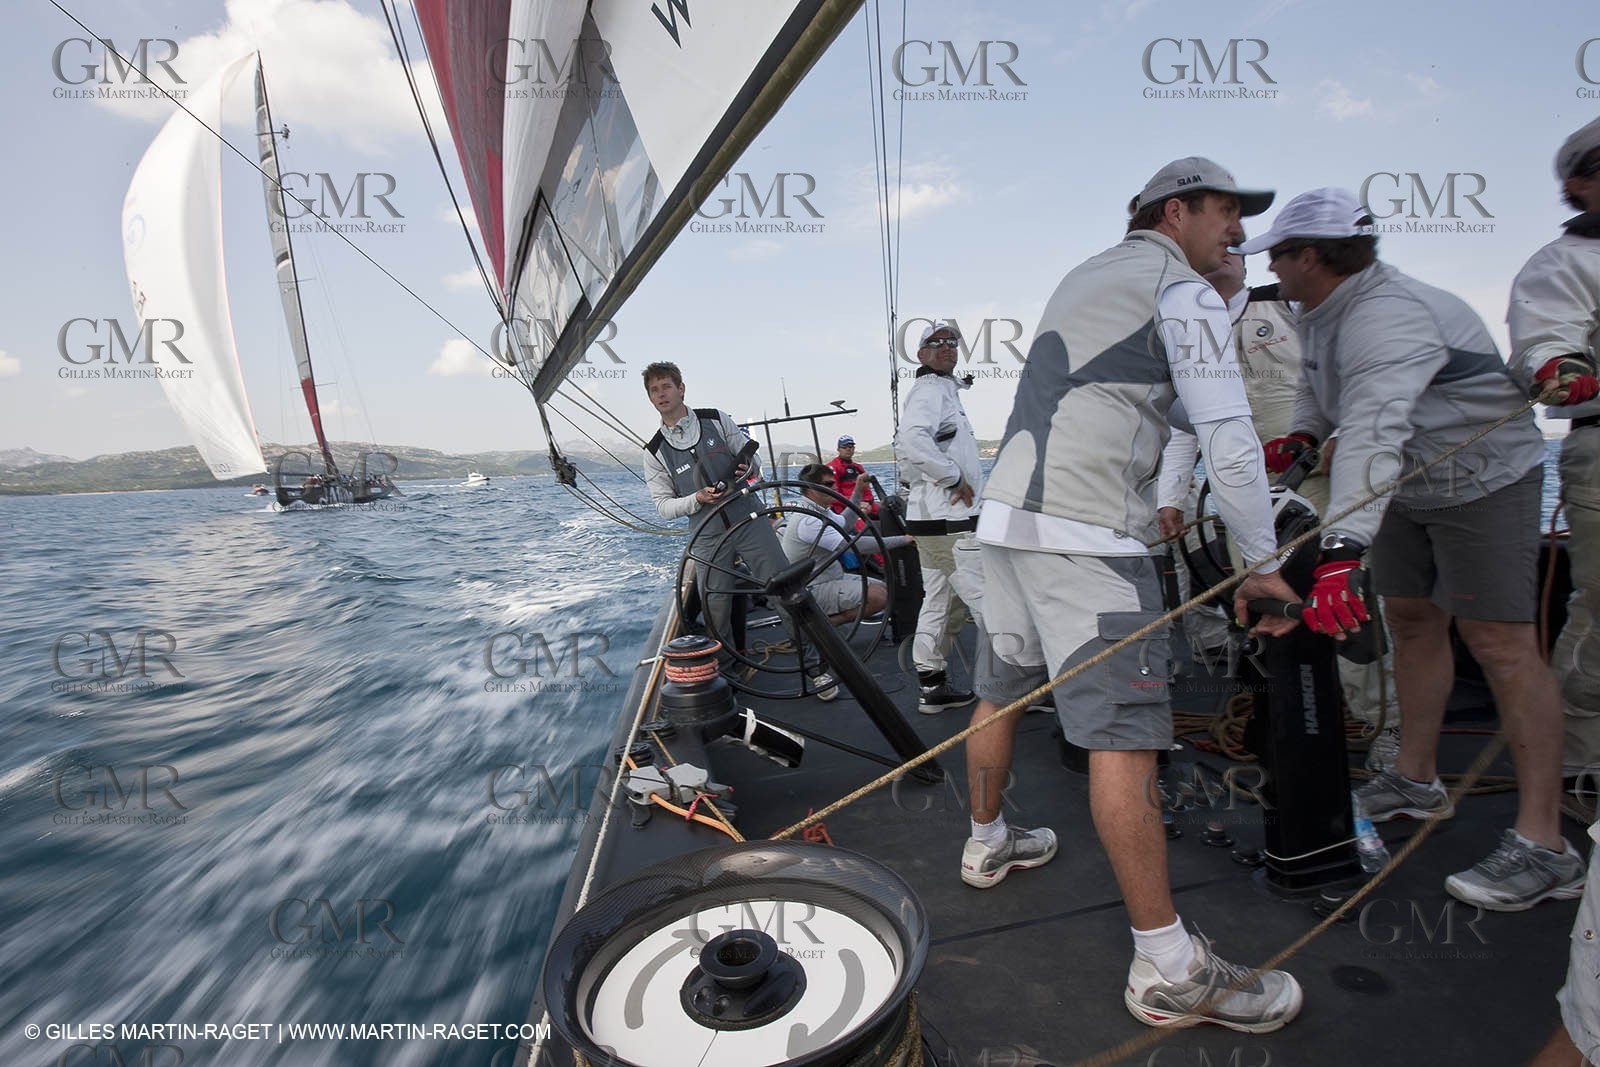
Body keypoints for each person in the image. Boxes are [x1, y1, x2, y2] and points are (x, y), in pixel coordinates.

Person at [973, 157, 1304, 1032]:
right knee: (1124, 738)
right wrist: (1261, 563)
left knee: (1001, 689)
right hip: (1087, 536)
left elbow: (1154, 402)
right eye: (1226, 211)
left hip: (1007, 522)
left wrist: (1216, 305)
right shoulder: (1178, 288)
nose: (1239, 230)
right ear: (1175, 211)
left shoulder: (1090, 275)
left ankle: (986, 841)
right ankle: (1167, 967)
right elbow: (1228, 434)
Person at [1241, 186, 1580, 911]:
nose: (1269, 265)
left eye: (1278, 253)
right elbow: (1321, 394)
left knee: (1501, 643)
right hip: (1410, 488)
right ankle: (1417, 780)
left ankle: (1546, 844)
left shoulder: (1390, 315)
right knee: (1413, 619)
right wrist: (1302, 434)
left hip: (1483, 481)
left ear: (1310, 256)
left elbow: (1373, 430)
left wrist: (1340, 550)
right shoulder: (1322, 312)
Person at [1155, 252, 1402, 770]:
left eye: (1236, 247)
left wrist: (1344, 436)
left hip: (1321, 482)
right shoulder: (1185, 333)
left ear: (1247, 265)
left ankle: (1386, 722)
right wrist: (1171, 498)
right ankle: (1289, 720)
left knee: (1346, 601)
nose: (1225, 252)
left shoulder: (1291, 307)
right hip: (1249, 500)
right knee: (1268, 608)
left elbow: (1348, 372)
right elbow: (1184, 428)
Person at [640, 361, 838, 698]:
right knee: (715, 607)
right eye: (654, 390)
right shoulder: (655, 451)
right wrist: (697, 498)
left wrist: (747, 468)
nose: (661, 394)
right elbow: (663, 506)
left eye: (666, 386)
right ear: (650, 397)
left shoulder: (716, 419)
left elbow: (753, 463)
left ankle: (815, 666)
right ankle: (727, 677)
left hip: (748, 517)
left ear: (681, 388)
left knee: (784, 589)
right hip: (706, 533)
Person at [1509, 116, 1600, 819]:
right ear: (1578, 183)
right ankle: (1577, 768)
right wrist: (1559, 368)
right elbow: (1544, 341)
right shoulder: (1562, 263)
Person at [895, 320, 988, 713]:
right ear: (921, 354)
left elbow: (911, 455)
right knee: (989, 601)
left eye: (952, 341)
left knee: (939, 601)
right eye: (936, 342)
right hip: (949, 522)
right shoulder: (930, 391)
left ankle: (932, 685)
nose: (947, 346)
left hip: (932, 522)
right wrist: (953, 478)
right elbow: (911, 440)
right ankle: (1015, 689)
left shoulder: (944, 390)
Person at [780, 463, 913, 624]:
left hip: (832, 578)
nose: (835, 487)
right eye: (829, 484)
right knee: (878, 597)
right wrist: (904, 540)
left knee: (887, 589)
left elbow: (845, 523)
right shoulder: (808, 521)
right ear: (811, 489)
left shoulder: (820, 510)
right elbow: (854, 546)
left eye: (835, 482)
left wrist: (858, 491)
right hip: (812, 588)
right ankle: (825, 625)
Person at [827, 435, 879, 518]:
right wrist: (856, 503)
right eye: (844, 447)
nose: (848, 449)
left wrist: (867, 502)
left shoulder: (858, 467)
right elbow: (833, 495)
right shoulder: (832, 467)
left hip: (862, 504)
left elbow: (867, 490)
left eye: (850, 446)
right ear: (838, 449)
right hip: (843, 507)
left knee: (887, 509)